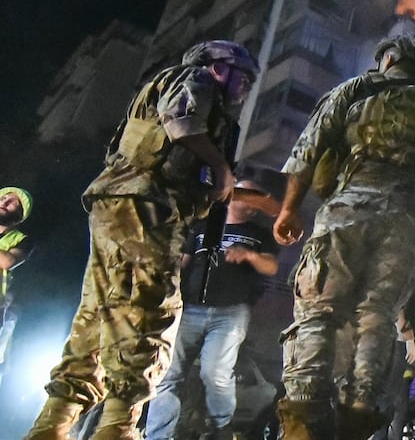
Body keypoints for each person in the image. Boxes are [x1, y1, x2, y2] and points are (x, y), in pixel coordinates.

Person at [25, 40, 257, 440]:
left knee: (99, 315)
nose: (246, 87)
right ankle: (117, 426)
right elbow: (180, 123)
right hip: (147, 208)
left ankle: (53, 425)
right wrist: (221, 168)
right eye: (244, 76)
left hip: (118, 204)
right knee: (150, 310)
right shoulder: (197, 79)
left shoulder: (170, 87)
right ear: (219, 67)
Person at [272, 33, 415, 439]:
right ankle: (358, 414)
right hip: (406, 224)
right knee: (375, 317)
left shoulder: (354, 91)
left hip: (348, 209)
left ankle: (303, 419)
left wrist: (289, 208)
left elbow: (308, 151)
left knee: (319, 310)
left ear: (388, 58)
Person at [144, 177, 282, 440]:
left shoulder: (259, 234)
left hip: (230, 312)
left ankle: (220, 426)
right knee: (167, 374)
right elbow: (183, 263)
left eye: (254, 195)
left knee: (214, 371)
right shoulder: (202, 227)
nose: (249, 198)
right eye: (244, 191)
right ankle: (158, 436)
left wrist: (250, 255)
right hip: (189, 309)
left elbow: (271, 267)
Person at [0, 186, 35, 387]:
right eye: (3, 198)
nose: (4, 202)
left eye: (11, 201)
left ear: (20, 214)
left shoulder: (23, 241)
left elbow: (7, 261)